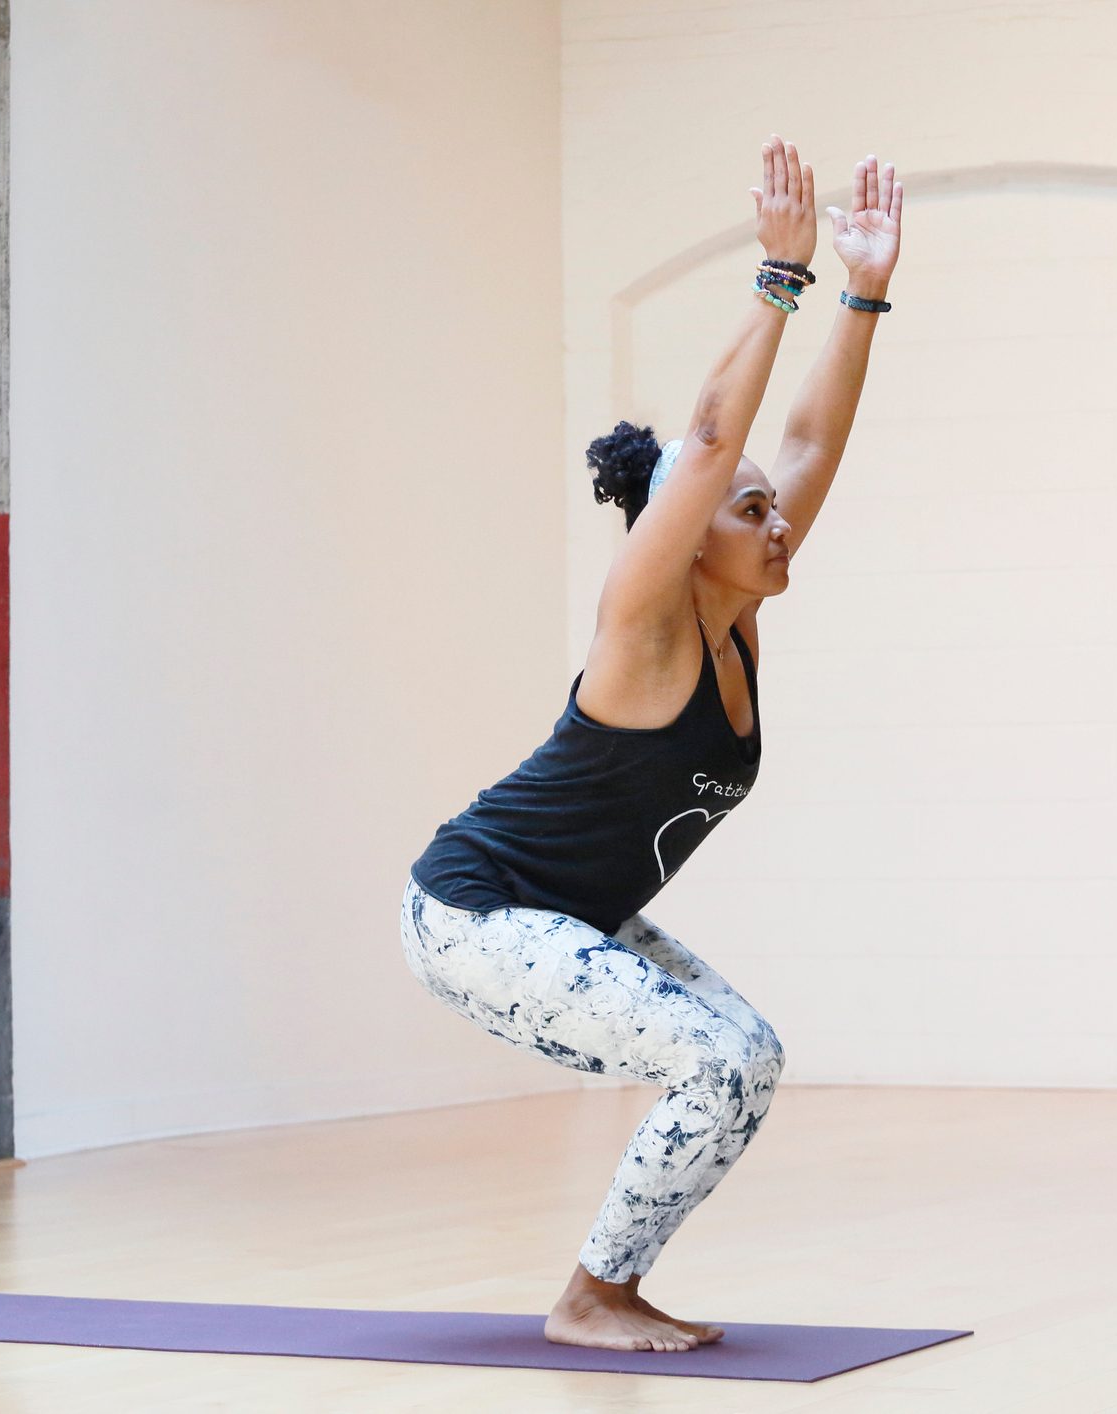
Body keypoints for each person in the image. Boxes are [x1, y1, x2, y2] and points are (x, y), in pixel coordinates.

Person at [400, 133, 903, 1353]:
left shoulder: (736, 625)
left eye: (771, 511)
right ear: (682, 534)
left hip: (574, 918)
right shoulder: (646, 627)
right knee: (718, 1058)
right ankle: (590, 1298)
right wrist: (775, 281)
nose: (777, 518)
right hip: (475, 912)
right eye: (746, 511)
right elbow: (719, 442)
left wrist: (865, 290)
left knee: (751, 1055)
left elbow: (809, 446)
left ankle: (607, 1283)